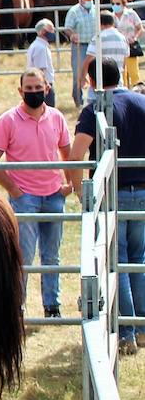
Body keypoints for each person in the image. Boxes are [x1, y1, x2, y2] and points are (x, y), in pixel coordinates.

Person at [69, 59, 145, 352]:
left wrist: (80, 191)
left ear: (91, 80)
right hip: (141, 191)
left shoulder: (96, 109)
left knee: (118, 264)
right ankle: (139, 328)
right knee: (137, 260)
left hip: (114, 192)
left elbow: (76, 154)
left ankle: (125, 332)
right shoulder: (140, 101)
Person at [0, 69, 72, 319]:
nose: (34, 92)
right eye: (29, 88)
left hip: (54, 195)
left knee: (52, 254)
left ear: (47, 88)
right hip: (25, 199)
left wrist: (69, 185)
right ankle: (18, 306)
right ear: (20, 91)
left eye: (38, 88)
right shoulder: (8, 120)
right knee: (23, 256)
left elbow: (68, 153)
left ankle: (52, 306)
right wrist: (13, 189)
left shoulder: (56, 117)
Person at [81, 10, 131, 106]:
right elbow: (125, 60)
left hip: (100, 81)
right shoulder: (123, 38)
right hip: (117, 81)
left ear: (100, 23)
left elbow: (89, 59)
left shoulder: (98, 38)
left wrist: (83, 76)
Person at [64, 0, 98, 107]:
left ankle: (94, 99)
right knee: (78, 72)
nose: (91, 1)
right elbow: (67, 27)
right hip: (80, 46)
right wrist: (72, 35)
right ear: (81, 0)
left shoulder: (95, 9)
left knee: (96, 71)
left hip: (94, 45)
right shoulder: (74, 11)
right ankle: (78, 99)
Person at [112, 0, 143, 88]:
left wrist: (135, 38)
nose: (115, 6)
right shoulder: (111, 16)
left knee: (134, 73)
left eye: (118, 3)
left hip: (130, 46)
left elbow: (140, 28)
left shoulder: (131, 14)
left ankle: (138, 93)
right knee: (121, 73)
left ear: (123, 4)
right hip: (118, 47)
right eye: (113, 4)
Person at [26, 19, 58, 107]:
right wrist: (46, 85)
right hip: (43, 85)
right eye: (50, 29)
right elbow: (40, 70)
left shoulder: (37, 45)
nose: (53, 32)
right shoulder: (41, 48)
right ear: (43, 31)